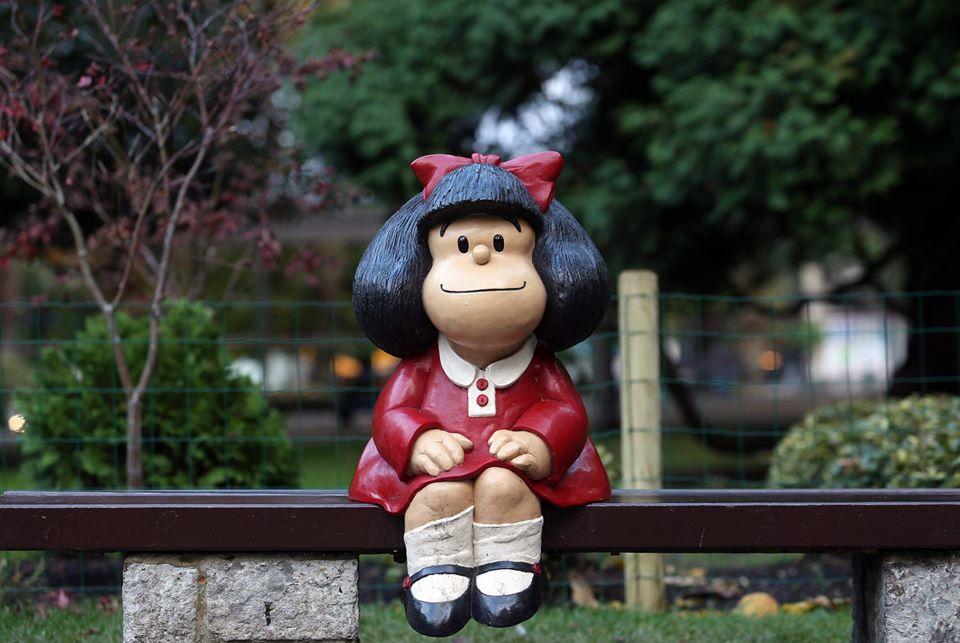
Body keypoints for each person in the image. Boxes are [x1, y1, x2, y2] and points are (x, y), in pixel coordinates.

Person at [349, 151, 611, 636]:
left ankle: (509, 569)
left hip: (515, 471)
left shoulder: (540, 365)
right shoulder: (424, 365)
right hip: (437, 471)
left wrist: (540, 440)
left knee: (503, 488)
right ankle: (434, 571)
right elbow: (393, 412)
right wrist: (417, 439)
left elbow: (565, 410)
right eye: (463, 244)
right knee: (439, 494)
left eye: (500, 242)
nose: (483, 256)